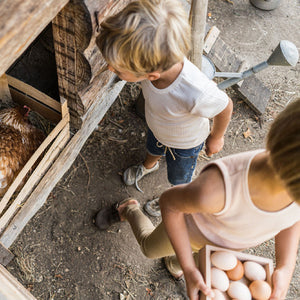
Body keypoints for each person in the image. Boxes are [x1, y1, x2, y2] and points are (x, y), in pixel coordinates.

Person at [95, 97, 300, 300]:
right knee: (149, 248)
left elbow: (291, 219)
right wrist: (190, 267)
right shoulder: (218, 190)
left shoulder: (293, 190)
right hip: (188, 231)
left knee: (184, 260)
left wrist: (285, 267)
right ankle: (129, 209)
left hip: (220, 249)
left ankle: (174, 263)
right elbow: (169, 204)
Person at [96, 0, 233, 205]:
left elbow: (225, 105)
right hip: (158, 127)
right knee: (153, 146)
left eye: (117, 69)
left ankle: (176, 198)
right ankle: (150, 165)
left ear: (150, 75)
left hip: (185, 144)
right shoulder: (154, 66)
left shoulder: (195, 91)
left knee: (179, 177)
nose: (109, 69)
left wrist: (216, 137)